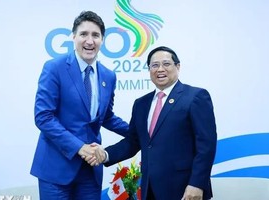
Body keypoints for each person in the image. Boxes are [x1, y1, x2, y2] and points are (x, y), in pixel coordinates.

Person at [89, 46, 217, 200]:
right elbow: (133, 142)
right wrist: (105, 154)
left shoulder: (195, 97)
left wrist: (197, 184)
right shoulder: (141, 104)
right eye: (154, 65)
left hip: (185, 189)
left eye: (166, 64)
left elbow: (206, 146)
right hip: (150, 189)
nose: (160, 69)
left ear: (178, 66)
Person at [30, 10, 129, 200]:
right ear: (73, 37)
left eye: (95, 35)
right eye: (84, 34)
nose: (89, 41)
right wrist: (79, 147)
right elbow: (43, 117)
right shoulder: (54, 68)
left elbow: (106, 117)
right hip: (56, 168)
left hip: (89, 170)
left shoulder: (108, 75)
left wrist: (140, 130)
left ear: (102, 40)